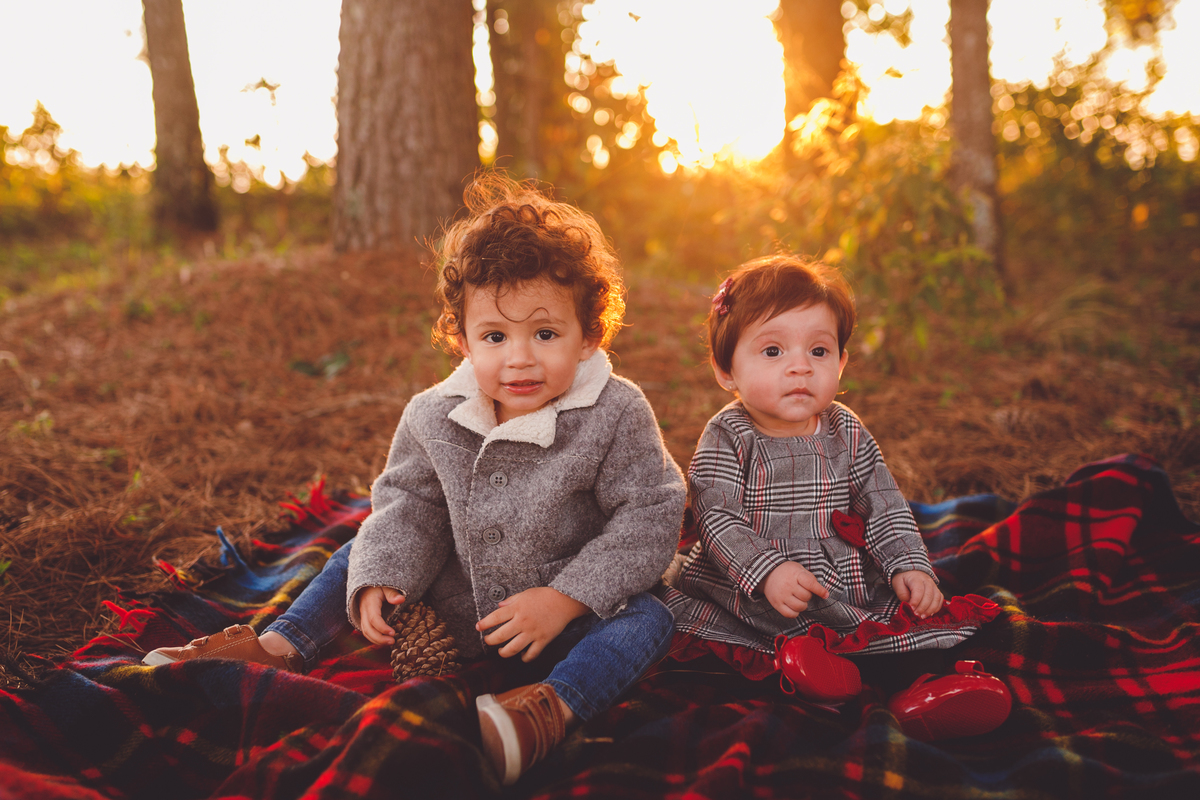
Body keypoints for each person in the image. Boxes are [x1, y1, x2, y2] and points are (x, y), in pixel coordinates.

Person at [144, 175, 686, 784]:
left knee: (651, 616)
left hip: (565, 613)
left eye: (545, 333)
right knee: (360, 549)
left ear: (589, 335)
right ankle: (279, 645)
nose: (520, 358)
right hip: (457, 600)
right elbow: (410, 505)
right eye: (494, 336)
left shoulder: (616, 410)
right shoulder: (434, 414)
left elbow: (651, 514)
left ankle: (548, 709)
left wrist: (565, 599)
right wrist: (384, 576)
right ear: (461, 340)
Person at [657, 255, 1010, 742]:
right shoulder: (728, 433)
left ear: (841, 363)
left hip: (838, 574)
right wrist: (767, 571)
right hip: (750, 583)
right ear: (726, 370)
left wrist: (909, 565)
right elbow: (717, 517)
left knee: (896, 619)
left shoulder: (846, 429)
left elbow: (882, 504)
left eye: (819, 351)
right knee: (759, 635)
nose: (800, 366)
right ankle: (818, 677)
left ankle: (925, 688)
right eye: (773, 351)